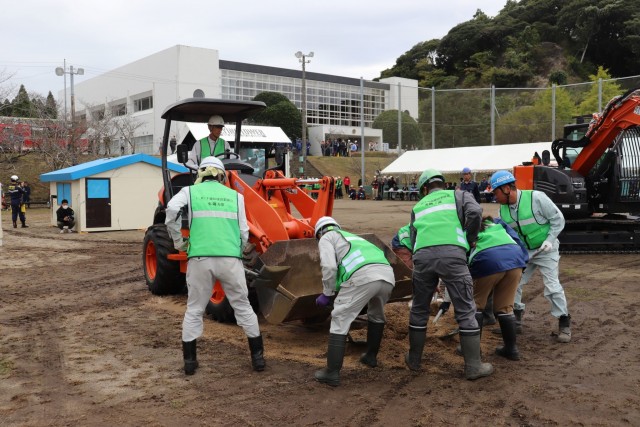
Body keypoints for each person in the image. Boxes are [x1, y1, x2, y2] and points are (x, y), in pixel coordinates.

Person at [165, 156, 266, 375]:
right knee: (243, 306)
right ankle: (258, 359)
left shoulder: (190, 192)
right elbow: (244, 231)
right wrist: (237, 250)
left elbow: (171, 210)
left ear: (201, 173)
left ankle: (190, 363)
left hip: (200, 258)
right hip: (230, 259)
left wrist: (179, 242)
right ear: (221, 175)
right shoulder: (235, 196)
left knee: (194, 309)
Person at [406, 168, 493, 380]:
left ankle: (414, 360)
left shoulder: (418, 206)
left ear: (425, 188)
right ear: (443, 184)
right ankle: (473, 367)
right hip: (452, 255)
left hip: (422, 257)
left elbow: (412, 236)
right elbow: (475, 213)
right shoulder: (460, 194)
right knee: (465, 309)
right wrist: (469, 236)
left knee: (419, 308)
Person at [490, 170, 572, 343]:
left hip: (545, 249)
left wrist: (550, 240)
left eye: (495, 192)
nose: (494, 196)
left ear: (506, 189)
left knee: (551, 285)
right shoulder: (502, 212)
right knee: (515, 283)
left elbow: (558, 220)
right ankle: (515, 322)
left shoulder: (536, 198)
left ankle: (564, 321)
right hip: (524, 252)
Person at [313, 216, 395, 386]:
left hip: (363, 277)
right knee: (376, 314)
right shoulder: (354, 238)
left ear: (319, 233)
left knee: (339, 319)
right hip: (387, 276)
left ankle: (332, 372)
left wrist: (327, 293)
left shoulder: (326, 237)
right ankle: (370, 357)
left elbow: (329, 267)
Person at [469, 216, 529, 360]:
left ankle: (473, 350)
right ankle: (511, 349)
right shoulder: (497, 222)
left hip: (487, 260)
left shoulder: (466, 226)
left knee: (476, 306)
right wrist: (523, 262)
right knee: (505, 307)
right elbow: (518, 240)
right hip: (515, 259)